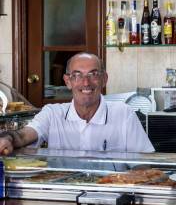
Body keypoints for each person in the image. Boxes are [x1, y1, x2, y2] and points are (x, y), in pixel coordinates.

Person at [0, 52, 154, 154]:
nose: (86, 83)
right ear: (68, 81)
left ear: (104, 79)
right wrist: (7, 138)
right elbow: (23, 136)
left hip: (113, 195)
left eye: (93, 74)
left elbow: (143, 162)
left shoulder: (123, 113)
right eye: (77, 75)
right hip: (62, 196)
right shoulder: (52, 113)